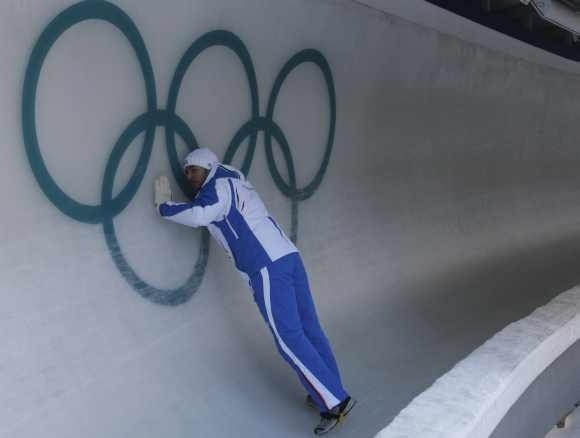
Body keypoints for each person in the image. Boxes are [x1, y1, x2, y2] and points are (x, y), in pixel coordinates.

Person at [154, 148, 355, 435]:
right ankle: (326, 390)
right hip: (288, 257)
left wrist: (164, 207)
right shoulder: (233, 180)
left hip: (266, 267)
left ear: (208, 168)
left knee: (288, 339)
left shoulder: (218, 187)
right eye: (185, 171)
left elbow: (200, 215)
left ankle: (334, 402)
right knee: (309, 329)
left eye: (193, 170)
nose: (188, 177)